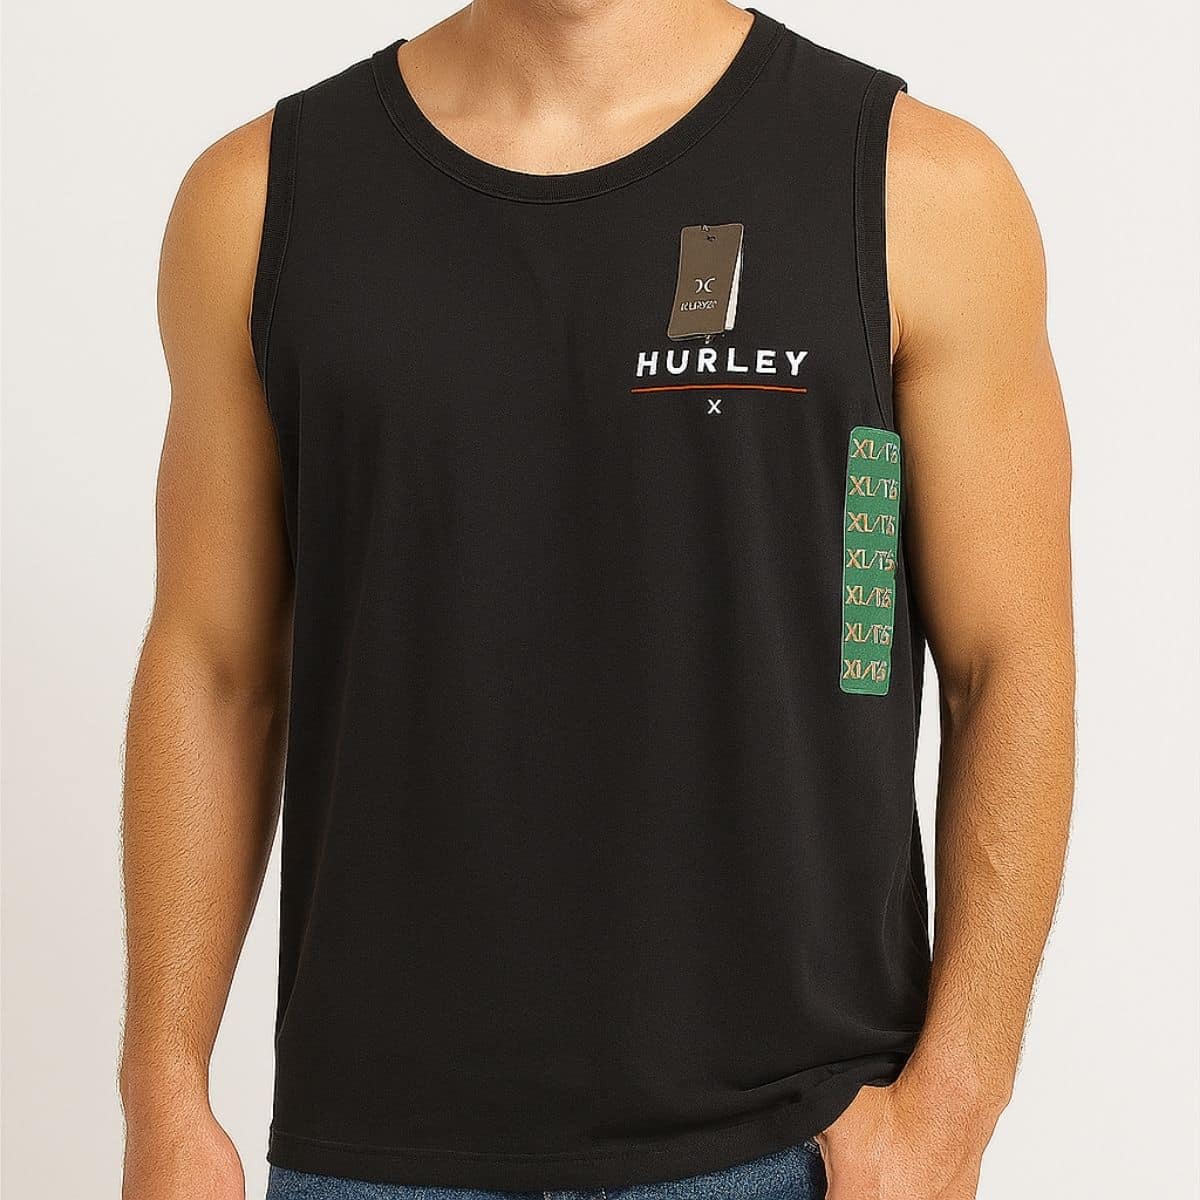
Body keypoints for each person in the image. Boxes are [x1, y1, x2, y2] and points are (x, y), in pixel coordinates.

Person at [119, 2, 1074, 1198]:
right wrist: (162, 1094)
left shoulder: (915, 185)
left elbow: (1008, 661)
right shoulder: (262, 201)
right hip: (375, 1149)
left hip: (794, 1147)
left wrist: (954, 1107)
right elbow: (215, 668)